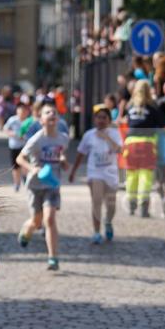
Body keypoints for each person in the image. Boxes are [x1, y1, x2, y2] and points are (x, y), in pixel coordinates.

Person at [15, 101, 70, 271]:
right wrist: (33, 168)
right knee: (37, 222)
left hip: (52, 185)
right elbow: (19, 159)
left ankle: (53, 258)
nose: (52, 114)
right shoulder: (37, 139)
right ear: (41, 120)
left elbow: (62, 156)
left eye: (54, 112)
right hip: (35, 185)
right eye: (48, 113)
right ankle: (27, 230)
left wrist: (63, 161)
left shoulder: (63, 138)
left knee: (50, 219)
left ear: (58, 118)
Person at [68, 103, 122, 243]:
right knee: (96, 202)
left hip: (110, 174)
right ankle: (97, 232)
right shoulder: (89, 135)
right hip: (95, 173)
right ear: (94, 120)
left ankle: (108, 222)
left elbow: (119, 150)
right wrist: (73, 171)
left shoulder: (115, 134)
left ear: (109, 120)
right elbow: (80, 154)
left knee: (111, 206)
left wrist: (106, 137)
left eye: (104, 118)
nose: (101, 120)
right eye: (98, 117)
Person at [123, 81, 165, 217]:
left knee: (131, 175)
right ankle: (143, 206)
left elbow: (128, 122)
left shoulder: (130, 106)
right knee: (145, 176)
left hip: (130, 143)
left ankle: (131, 204)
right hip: (147, 144)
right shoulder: (152, 107)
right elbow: (162, 124)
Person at [3, 100, 30, 191]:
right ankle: (17, 183)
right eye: (20, 110)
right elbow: (5, 129)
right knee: (15, 166)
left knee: (25, 164)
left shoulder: (29, 121)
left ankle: (25, 178)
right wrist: (13, 134)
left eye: (24, 110)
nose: (22, 112)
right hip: (14, 146)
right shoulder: (12, 120)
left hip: (25, 146)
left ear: (27, 112)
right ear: (17, 111)